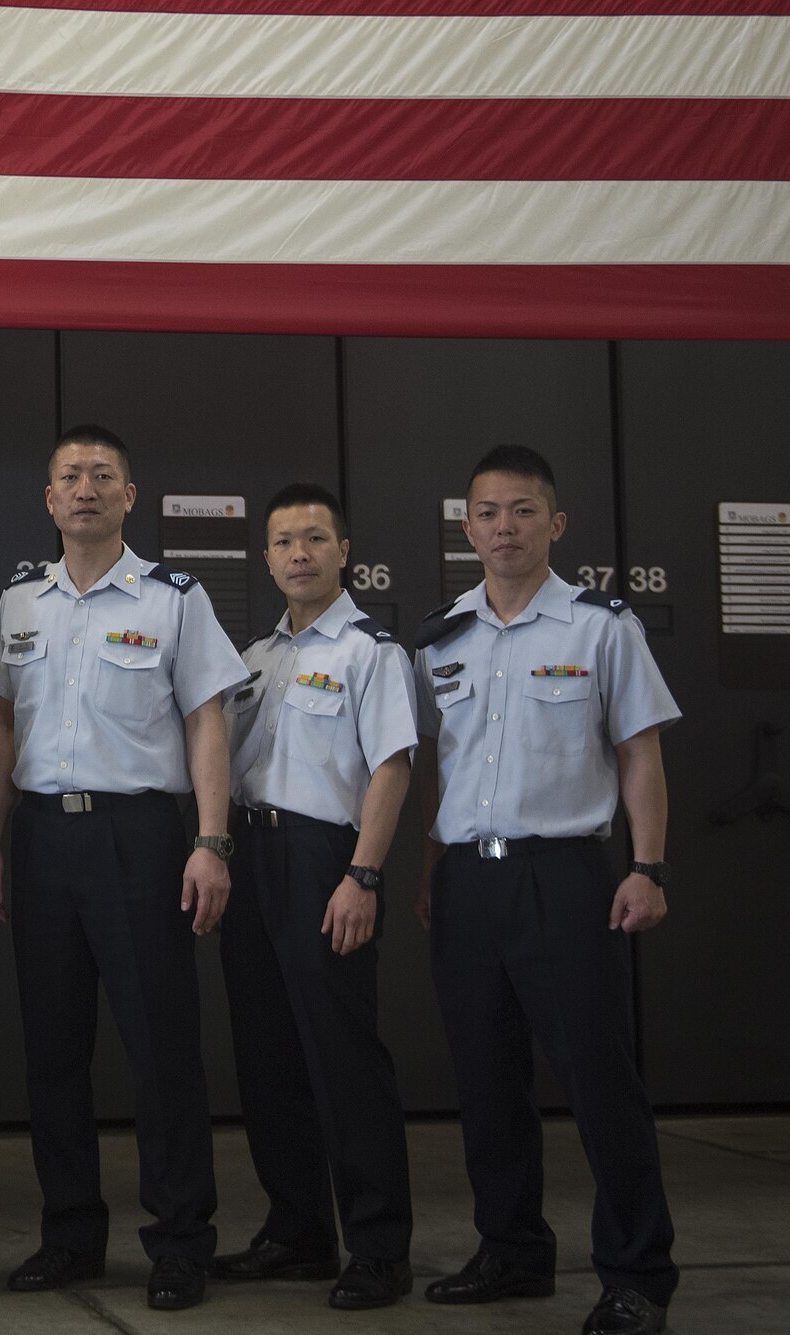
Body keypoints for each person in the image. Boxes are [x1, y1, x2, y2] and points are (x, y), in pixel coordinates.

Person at [0, 424, 245, 1312]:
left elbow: (208, 720)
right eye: (68, 477)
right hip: (44, 839)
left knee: (161, 1048)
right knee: (53, 1051)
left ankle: (179, 1241)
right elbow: (1, 727)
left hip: (141, 838)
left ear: (130, 496)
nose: (84, 489)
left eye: (102, 476)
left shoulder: (173, 596)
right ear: (48, 500)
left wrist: (210, 841)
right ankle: (71, 1235)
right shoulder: (21, 602)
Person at [413, 446, 680, 1335]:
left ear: (555, 524)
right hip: (466, 881)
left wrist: (648, 866)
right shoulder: (444, 631)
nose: (505, 528)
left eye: (523, 511)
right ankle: (512, 1249)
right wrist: (428, 874)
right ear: (466, 528)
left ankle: (637, 1274)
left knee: (600, 1081)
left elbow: (641, 753)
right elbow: (442, 770)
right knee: (488, 1082)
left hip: (562, 877)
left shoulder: (601, 627)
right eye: (488, 512)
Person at [213, 483, 416, 1309]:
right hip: (252, 853)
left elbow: (393, 767)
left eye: (314, 539)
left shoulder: (373, 650)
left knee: (342, 1057)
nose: (299, 553)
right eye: (284, 542)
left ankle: (378, 1245)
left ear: (343, 552)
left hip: (326, 858)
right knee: (267, 1055)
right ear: (266, 558)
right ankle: (297, 1230)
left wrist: (363, 875)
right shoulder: (255, 658)